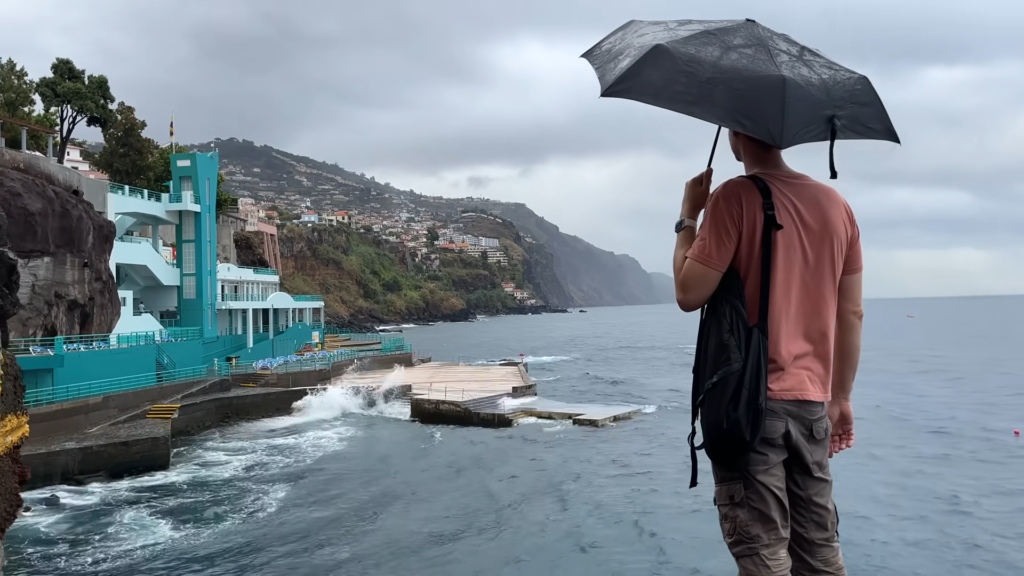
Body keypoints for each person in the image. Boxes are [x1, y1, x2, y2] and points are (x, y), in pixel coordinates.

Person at [672, 130, 863, 575]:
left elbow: (688, 292)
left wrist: (688, 216)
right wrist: (842, 398)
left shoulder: (734, 197)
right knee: (820, 553)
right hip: (813, 406)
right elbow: (851, 313)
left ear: (736, 133)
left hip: (750, 406)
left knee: (763, 555)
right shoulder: (837, 206)